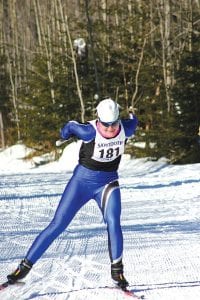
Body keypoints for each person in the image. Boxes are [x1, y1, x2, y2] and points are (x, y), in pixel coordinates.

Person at [6, 98, 138, 289]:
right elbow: (69, 126)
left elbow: (134, 121)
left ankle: (117, 272)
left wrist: (133, 114)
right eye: (106, 124)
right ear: (98, 120)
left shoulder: (127, 128)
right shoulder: (88, 131)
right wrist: (64, 134)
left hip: (108, 183)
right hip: (81, 183)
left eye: (114, 124)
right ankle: (23, 268)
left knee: (113, 221)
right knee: (58, 224)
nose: (110, 129)